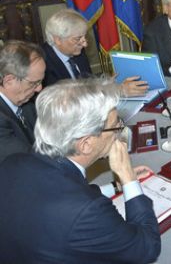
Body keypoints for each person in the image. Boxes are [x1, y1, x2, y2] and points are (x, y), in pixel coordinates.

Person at [0, 79, 161, 263]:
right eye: (116, 126)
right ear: (86, 144)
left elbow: (59, 194)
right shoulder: (88, 211)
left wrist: (115, 187)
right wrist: (128, 177)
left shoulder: (14, 162)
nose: (119, 130)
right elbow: (146, 248)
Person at [43, 9, 148, 96]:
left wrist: (108, 83)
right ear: (58, 39)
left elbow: (87, 84)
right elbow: (68, 99)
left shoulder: (77, 52)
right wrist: (115, 91)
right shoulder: (44, 63)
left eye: (84, 37)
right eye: (78, 39)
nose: (85, 44)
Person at [0, 40, 45, 163]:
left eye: (41, 81)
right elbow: (27, 161)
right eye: (34, 83)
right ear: (9, 81)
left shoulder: (27, 104)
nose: (39, 88)